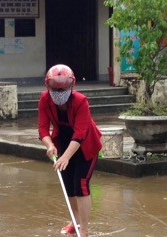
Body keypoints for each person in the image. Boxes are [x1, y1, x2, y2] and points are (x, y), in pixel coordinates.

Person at [38, 64, 102, 237]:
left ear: (71, 86)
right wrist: (50, 145)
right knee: (68, 187)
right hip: (63, 143)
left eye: (63, 88)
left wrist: (66, 157)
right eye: (55, 88)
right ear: (48, 86)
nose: (59, 92)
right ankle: (75, 221)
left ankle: (85, 229)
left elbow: (81, 133)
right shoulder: (45, 99)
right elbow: (43, 129)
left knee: (80, 185)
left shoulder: (81, 101)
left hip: (85, 146)